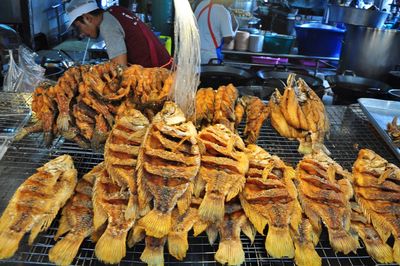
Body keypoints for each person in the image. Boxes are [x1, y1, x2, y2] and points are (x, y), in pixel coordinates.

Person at [65, 0, 172, 68]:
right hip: (166, 68)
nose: (81, 34)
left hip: (159, 78)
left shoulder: (108, 25)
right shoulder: (116, 10)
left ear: (88, 18)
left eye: (79, 27)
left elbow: (120, 70)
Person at [194, 0, 238, 64]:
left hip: (196, 52)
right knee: (210, 74)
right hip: (210, 57)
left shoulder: (201, 4)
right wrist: (235, 27)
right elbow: (227, 39)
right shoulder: (222, 11)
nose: (231, 3)